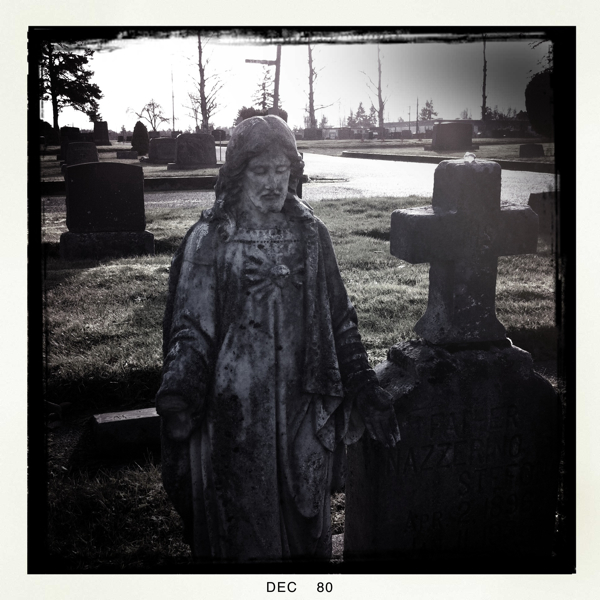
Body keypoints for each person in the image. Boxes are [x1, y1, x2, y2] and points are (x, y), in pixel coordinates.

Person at [155, 115, 400, 563]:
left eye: (281, 170)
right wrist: (180, 391)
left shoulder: (311, 234)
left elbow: (340, 318)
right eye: (260, 171)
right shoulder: (211, 240)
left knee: (308, 521)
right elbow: (192, 327)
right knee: (243, 523)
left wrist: (365, 386)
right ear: (238, 173)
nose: (273, 183)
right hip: (236, 409)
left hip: (304, 400)